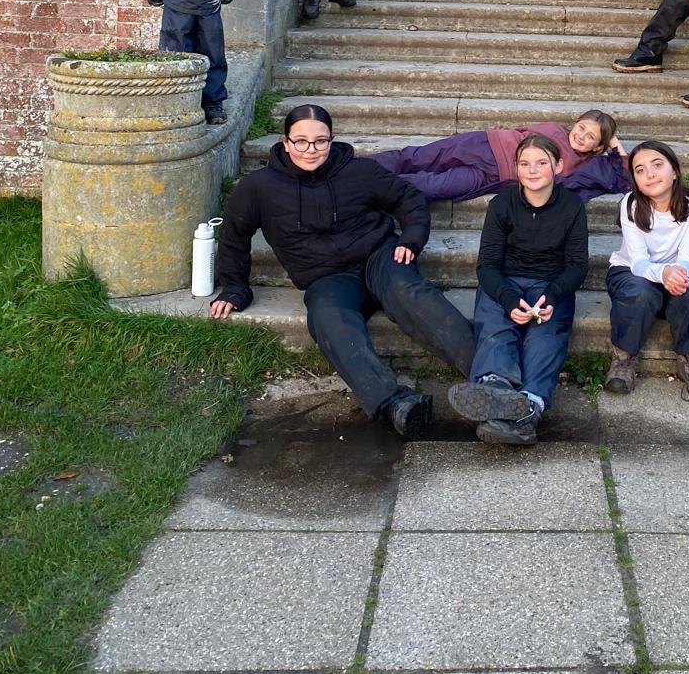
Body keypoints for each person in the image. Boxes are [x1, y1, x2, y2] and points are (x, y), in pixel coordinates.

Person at [209, 104, 531, 437]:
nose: (311, 149)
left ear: (331, 140)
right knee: (326, 316)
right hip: (326, 276)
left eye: (320, 141)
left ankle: (495, 383)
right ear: (285, 142)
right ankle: (395, 404)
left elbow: (408, 198)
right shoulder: (258, 187)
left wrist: (411, 238)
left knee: (410, 294)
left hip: (380, 257)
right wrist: (235, 288)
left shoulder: (359, 171)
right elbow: (234, 236)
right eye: (301, 141)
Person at [447, 133, 589, 445]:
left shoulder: (572, 206)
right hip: (506, 282)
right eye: (524, 164)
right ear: (516, 169)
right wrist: (509, 299)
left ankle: (528, 406)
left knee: (545, 337)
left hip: (550, 286)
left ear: (558, 166)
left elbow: (577, 265)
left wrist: (552, 296)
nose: (532, 170)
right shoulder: (501, 205)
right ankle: (496, 388)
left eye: (541, 163)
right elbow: (487, 266)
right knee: (496, 326)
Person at [603, 140, 689, 401]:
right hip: (630, 272)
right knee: (640, 293)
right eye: (640, 170)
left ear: (674, 170)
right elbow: (639, 263)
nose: (650, 174)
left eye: (657, 165)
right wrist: (664, 274)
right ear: (635, 179)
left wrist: (676, 274)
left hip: (675, 271)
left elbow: (688, 258)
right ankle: (623, 357)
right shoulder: (631, 204)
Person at [371, 110, 628, 204]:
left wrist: (615, 144)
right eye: (581, 127)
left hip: (491, 176)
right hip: (482, 144)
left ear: (598, 147)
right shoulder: (553, 129)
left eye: (590, 137)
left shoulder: (585, 166)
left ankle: (372, 186)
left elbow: (625, 175)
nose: (581, 136)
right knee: (418, 157)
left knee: (433, 186)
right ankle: (363, 169)